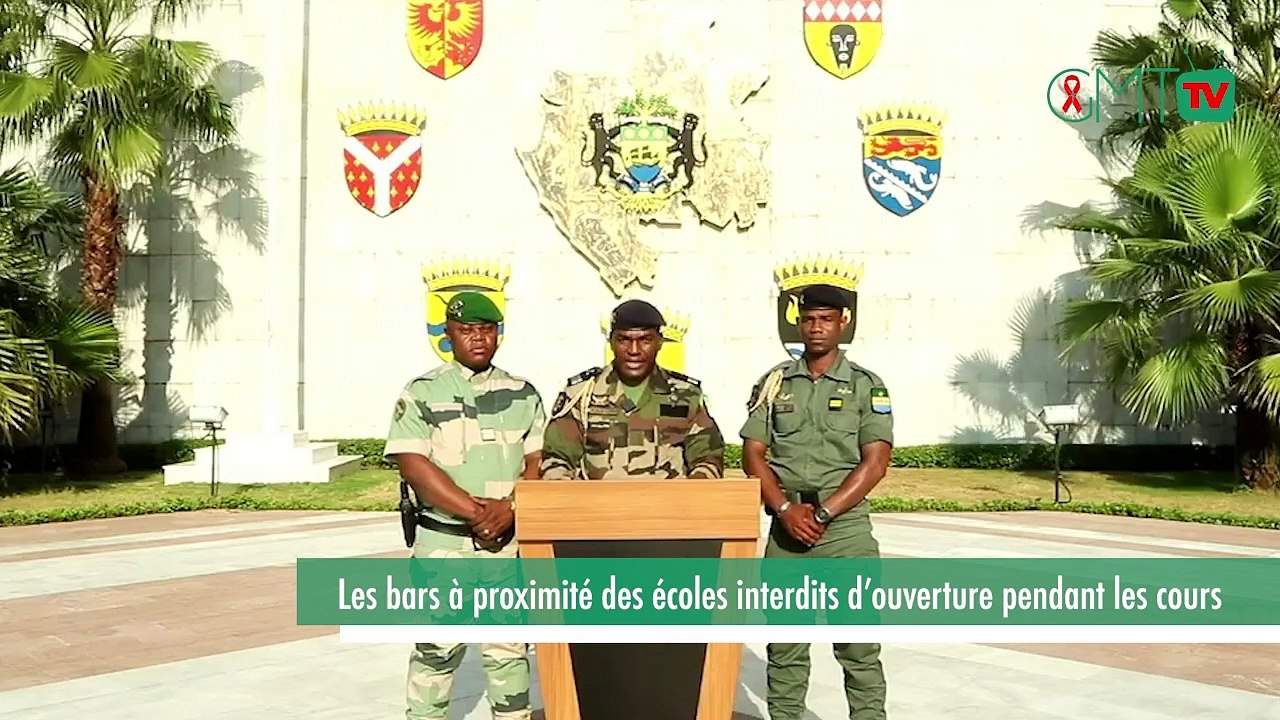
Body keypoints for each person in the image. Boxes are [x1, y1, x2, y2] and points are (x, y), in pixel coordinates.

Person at [383, 291, 544, 720]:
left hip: (506, 548)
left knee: (509, 652)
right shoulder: (422, 392)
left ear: (498, 335)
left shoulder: (523, 393)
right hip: (444, 546)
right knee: (436, 651)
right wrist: (479, 514)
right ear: (448, 335)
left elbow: (539, 461)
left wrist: (510, 508)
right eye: (466, 330)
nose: (478, 338)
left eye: (486, 330)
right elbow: (413, 464)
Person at [738, 283, 894, 720]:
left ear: (843, 323)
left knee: (859, 648)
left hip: (845, 533)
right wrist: (786, 510)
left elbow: (876, 462)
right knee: (785, 647)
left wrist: (823, 513)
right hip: (787, 534)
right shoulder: (775, 384)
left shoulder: (866, 385)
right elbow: (753, 454)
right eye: (809, 319)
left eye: (826, 319)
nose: (816, 328)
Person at [540, 298, 725, 479]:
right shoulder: (581, 395)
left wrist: (694, 489)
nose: (634, 350)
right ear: (611, 342)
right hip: (599, 500)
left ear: (660, 342)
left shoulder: (685, 395)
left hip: (668, 499)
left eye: (645, 340)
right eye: (624, 340)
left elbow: (708, 457)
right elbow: (557, 459)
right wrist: (564, 490)